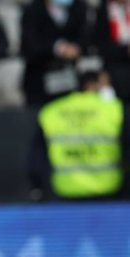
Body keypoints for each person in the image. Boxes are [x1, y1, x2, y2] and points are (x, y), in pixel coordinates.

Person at [28, 69, 130, 200]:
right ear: (90, 85)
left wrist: (37, 187)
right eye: (105, 83)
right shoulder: (115, 109)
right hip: (109, 190)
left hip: (65, 190)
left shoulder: (52, 111)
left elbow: (36, 156)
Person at [20, 0, 88, 106]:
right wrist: (57, 48)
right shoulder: (33, 10)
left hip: (69, 78)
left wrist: (76, 47)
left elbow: (86, 35)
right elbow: (29, 44)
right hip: (39, 79)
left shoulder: (78, 7)